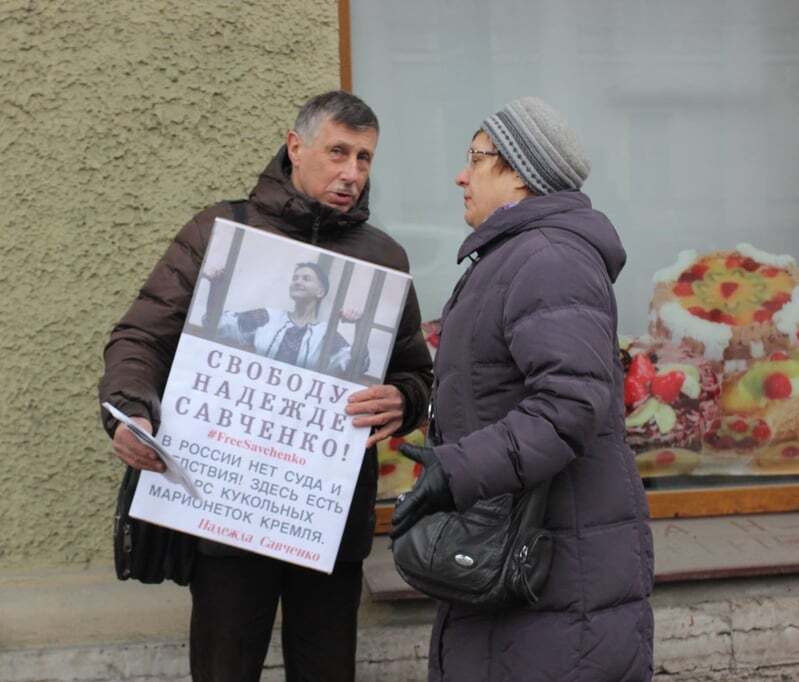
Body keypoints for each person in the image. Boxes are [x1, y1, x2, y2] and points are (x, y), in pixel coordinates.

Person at [99, 90, 433, 681]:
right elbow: (139, 339)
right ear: (295, 146)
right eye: (337, 152)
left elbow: (415, 373)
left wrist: (403, 399)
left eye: (364, 159)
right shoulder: (221, 231)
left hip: (326, 519)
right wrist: (130, 414)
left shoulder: (384, 259)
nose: (351, 173)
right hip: (227, 510)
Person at [391, 97, 654, 681]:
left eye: (475, 158)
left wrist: (455, 470)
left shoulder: (550, 258)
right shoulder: (516, 257)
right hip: (526, 559)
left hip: (559, 575)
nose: (462, 175)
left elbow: (568, 407)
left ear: (518, 173)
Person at [205, 261, 367, 375]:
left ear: (320, 292)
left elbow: (356, 366)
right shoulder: (267, 317)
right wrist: (216, 286)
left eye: (306, 278)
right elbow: (216, 324)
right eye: (295, 278)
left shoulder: (326, 334)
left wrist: (360, 326)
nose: (297, 282)